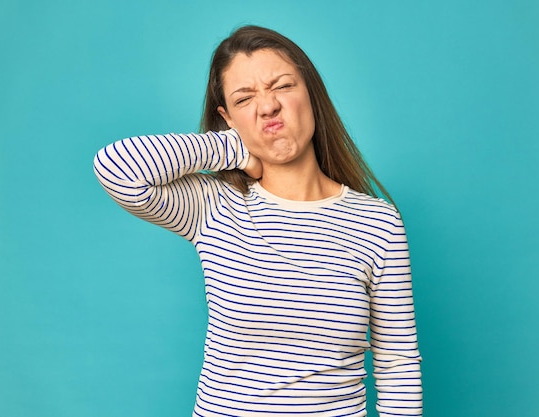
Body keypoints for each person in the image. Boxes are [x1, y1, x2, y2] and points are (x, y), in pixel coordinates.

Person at [94, 25, 422, 417]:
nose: (267, 107)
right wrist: (232, 144)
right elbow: (117, 168)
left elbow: (397, 365)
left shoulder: (377, 223)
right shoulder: (213, 207)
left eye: (282, 86)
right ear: (226, 116)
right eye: (244, 98)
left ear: (311, 95)